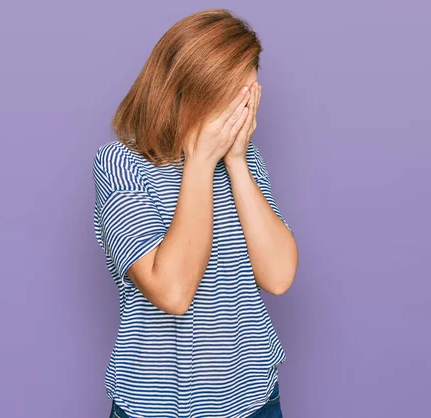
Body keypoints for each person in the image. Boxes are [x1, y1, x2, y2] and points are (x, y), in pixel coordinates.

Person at [92, 8, 299, 418]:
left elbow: (278, 277)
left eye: (249, 96)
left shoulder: (245, 161)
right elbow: (172, 291)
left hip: (254, 400)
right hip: (156, 406)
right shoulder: (121, 164)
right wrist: (201, 163)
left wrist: (237, 161)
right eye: (232, 96)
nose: (242, 111)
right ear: (188, 89)